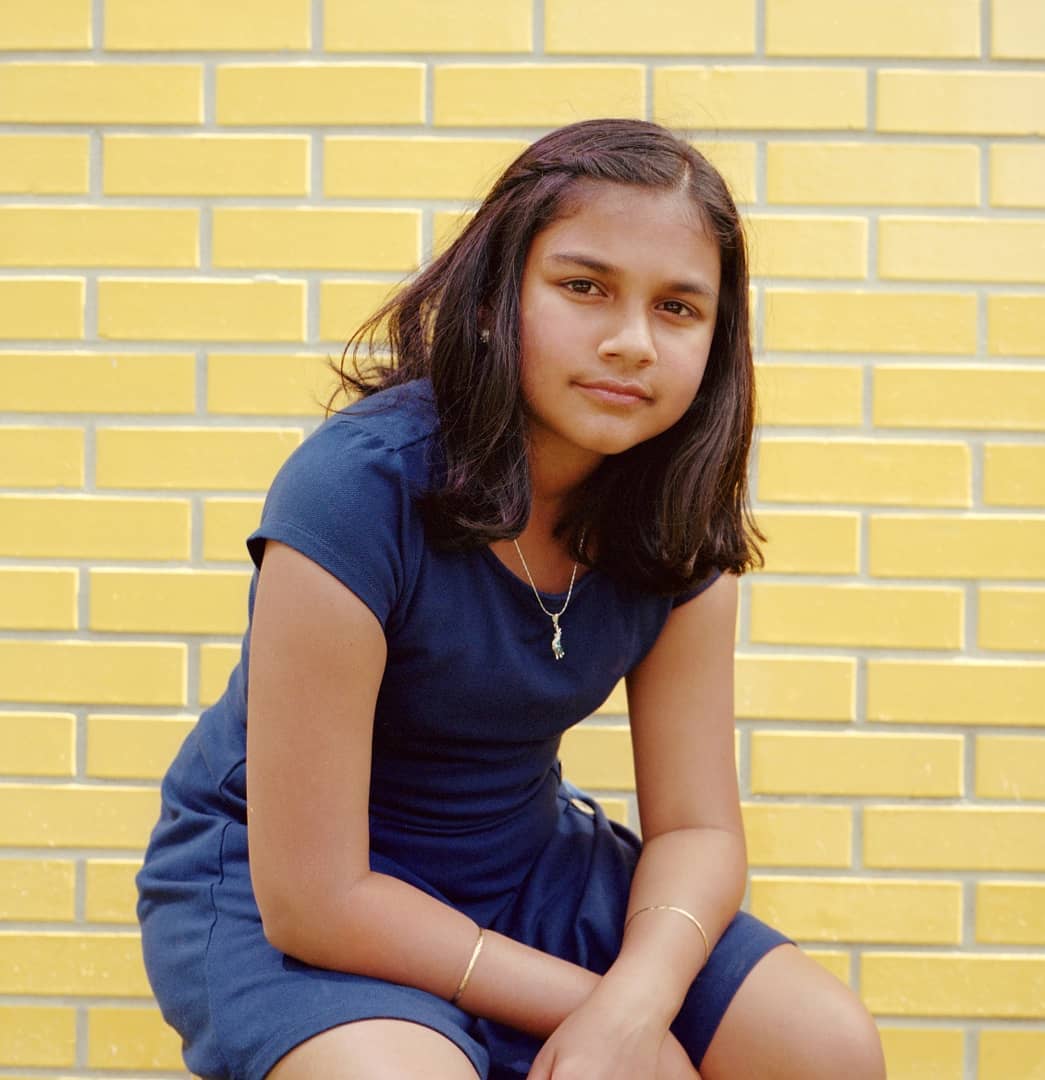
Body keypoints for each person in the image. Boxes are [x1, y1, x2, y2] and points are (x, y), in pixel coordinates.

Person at [136, 118, 885, 1080]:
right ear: (496, 298)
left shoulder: (677, 512)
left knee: (826, 1045)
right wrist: (604, 1018)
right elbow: (315, 899)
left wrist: (639, 1001)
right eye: (584, 287)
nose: (631, 343)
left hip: (526, 869)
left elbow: (698, 828)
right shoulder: (355, 491)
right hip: (289, 890)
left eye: (678, 308)